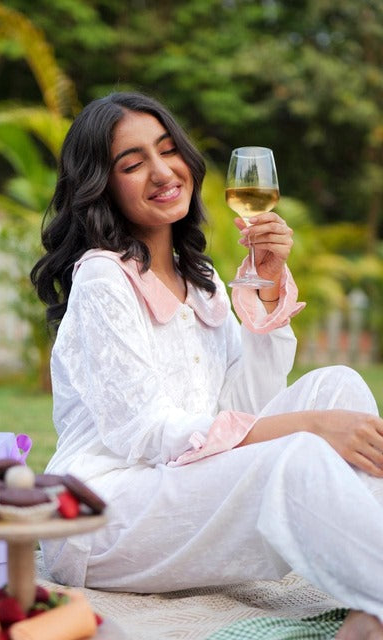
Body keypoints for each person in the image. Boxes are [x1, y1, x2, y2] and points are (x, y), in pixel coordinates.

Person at [30, 91, 383, 639]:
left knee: (339, 386)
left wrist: (268, 284)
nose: (161, 171)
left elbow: (248, 405)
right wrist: (308, 427)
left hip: (182, 481)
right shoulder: (103, 277)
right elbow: (144, 432)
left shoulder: (201, 279)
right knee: (298, 453)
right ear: (101, 185)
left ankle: (370, 600)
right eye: (132, 163)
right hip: (103, 514)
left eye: (168, 150)